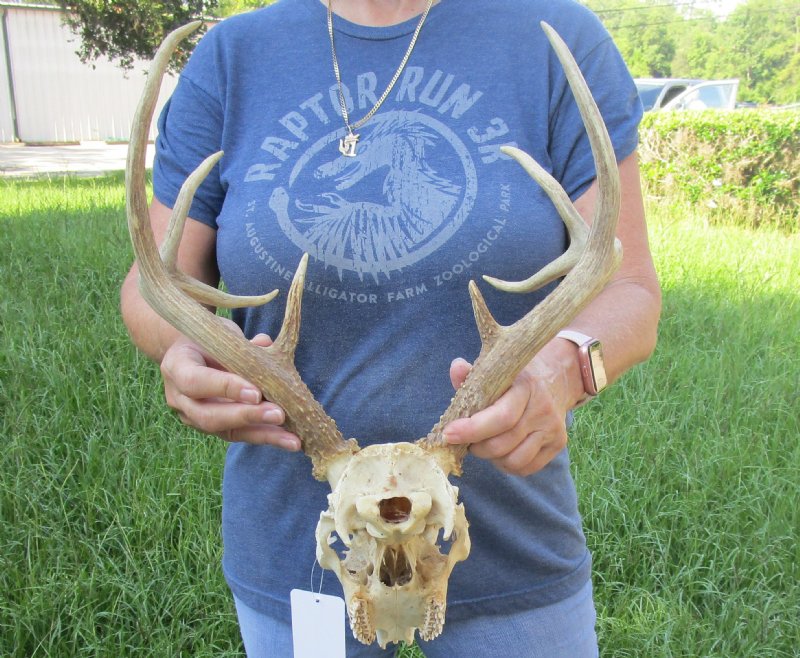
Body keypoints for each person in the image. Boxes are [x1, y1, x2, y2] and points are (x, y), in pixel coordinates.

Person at [120, 0, 661, 655]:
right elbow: (151, 283)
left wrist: (566, 367)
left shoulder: (556, 39)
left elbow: (629, 289)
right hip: (310, 554)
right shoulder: (232, 57)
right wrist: (181, 347)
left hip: (510, 548)